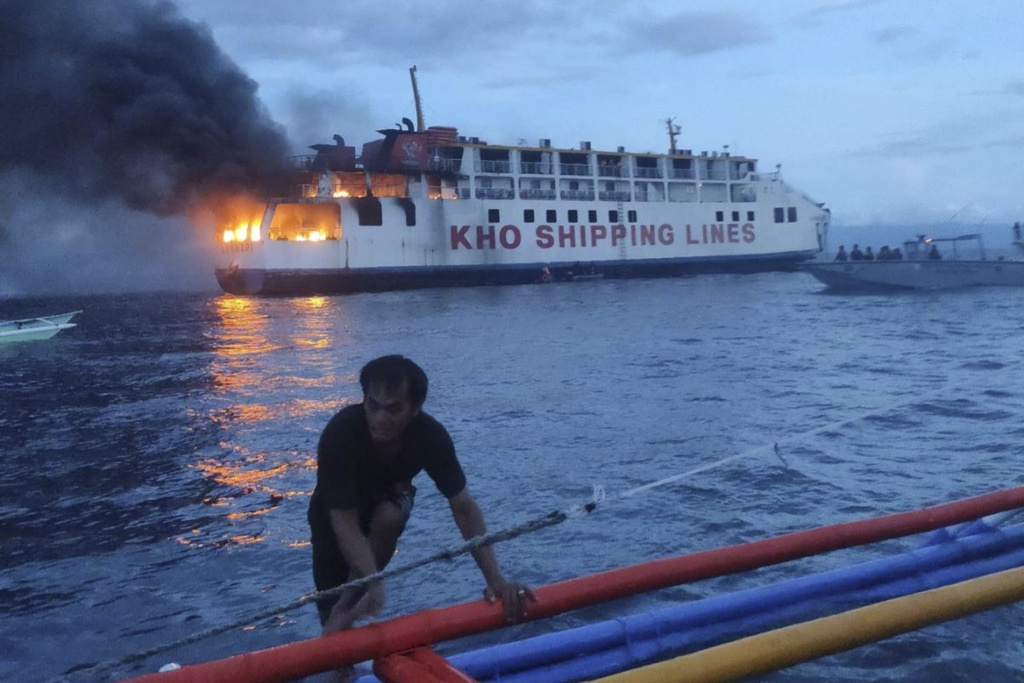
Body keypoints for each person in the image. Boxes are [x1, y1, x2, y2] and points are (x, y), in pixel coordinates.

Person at [308, 355, 536, 637]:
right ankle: (340, 642)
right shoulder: (340, 433)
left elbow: (464, 507)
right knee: (331, 614)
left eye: (394, 410)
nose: (380, 419)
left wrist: (495, 579)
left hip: (387, 502)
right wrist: (374, 581)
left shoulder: (431, 436)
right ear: (363, 399)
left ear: (415, 409)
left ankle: (349, 610)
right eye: (373, 406)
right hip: (334, 515)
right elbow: (343, 521)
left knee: (389, 518)